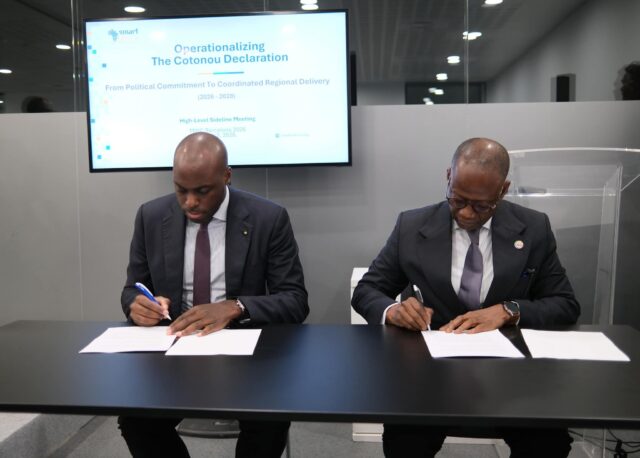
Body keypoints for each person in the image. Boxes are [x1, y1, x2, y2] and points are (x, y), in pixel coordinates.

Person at [352, 137, 580, 458]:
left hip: (512, 375)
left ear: (503, 190)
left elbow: (565, 304)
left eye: (482, 205)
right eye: (457, 200)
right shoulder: (412, 226)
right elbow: (367, 290)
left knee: (548, 444)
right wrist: (392, 310)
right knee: (404, 443)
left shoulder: (533, 228)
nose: (467, 213)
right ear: (448, 177)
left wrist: (509, 310)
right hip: (429, 373)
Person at [119, 132, 308, 458]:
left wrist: (236, 307)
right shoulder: (151, 216)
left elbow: (295, 300)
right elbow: (131, 290)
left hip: (247, 354)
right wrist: (138, 306)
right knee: (136, 420)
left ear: (227, 176)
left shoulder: (268, 218)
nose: (190, 202)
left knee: (268, 423)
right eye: (181, 190)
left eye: (202, 191)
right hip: (174, 350)